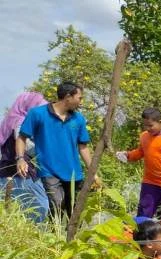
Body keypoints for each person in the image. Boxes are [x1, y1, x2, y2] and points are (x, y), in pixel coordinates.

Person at [16, 81, 92, 217]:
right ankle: (54, 236)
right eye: (79, 98)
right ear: (68, 97)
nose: (81, 102)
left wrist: (93, 172)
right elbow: (21, 138)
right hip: (48, 171)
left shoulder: (79, 119)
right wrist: (20, 159)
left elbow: (83, 147)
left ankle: (70, 237)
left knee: (74, 212)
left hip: (74, 173)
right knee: (56, 204)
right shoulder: (38, 114)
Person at [116, 108, 161, 226]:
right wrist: (128, 156)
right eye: (145, 125)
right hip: (149, 182)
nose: (148, 128)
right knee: (143, 216)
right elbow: (141, 152)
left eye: (150, 125)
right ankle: (141, 238)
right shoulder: (144, 136)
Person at [0, 92, 49, 222]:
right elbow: (25, 144)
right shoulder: (20, 122)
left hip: (5, 173)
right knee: (40, 207)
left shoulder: (9, 121)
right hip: (23, 173)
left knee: (12, 210)